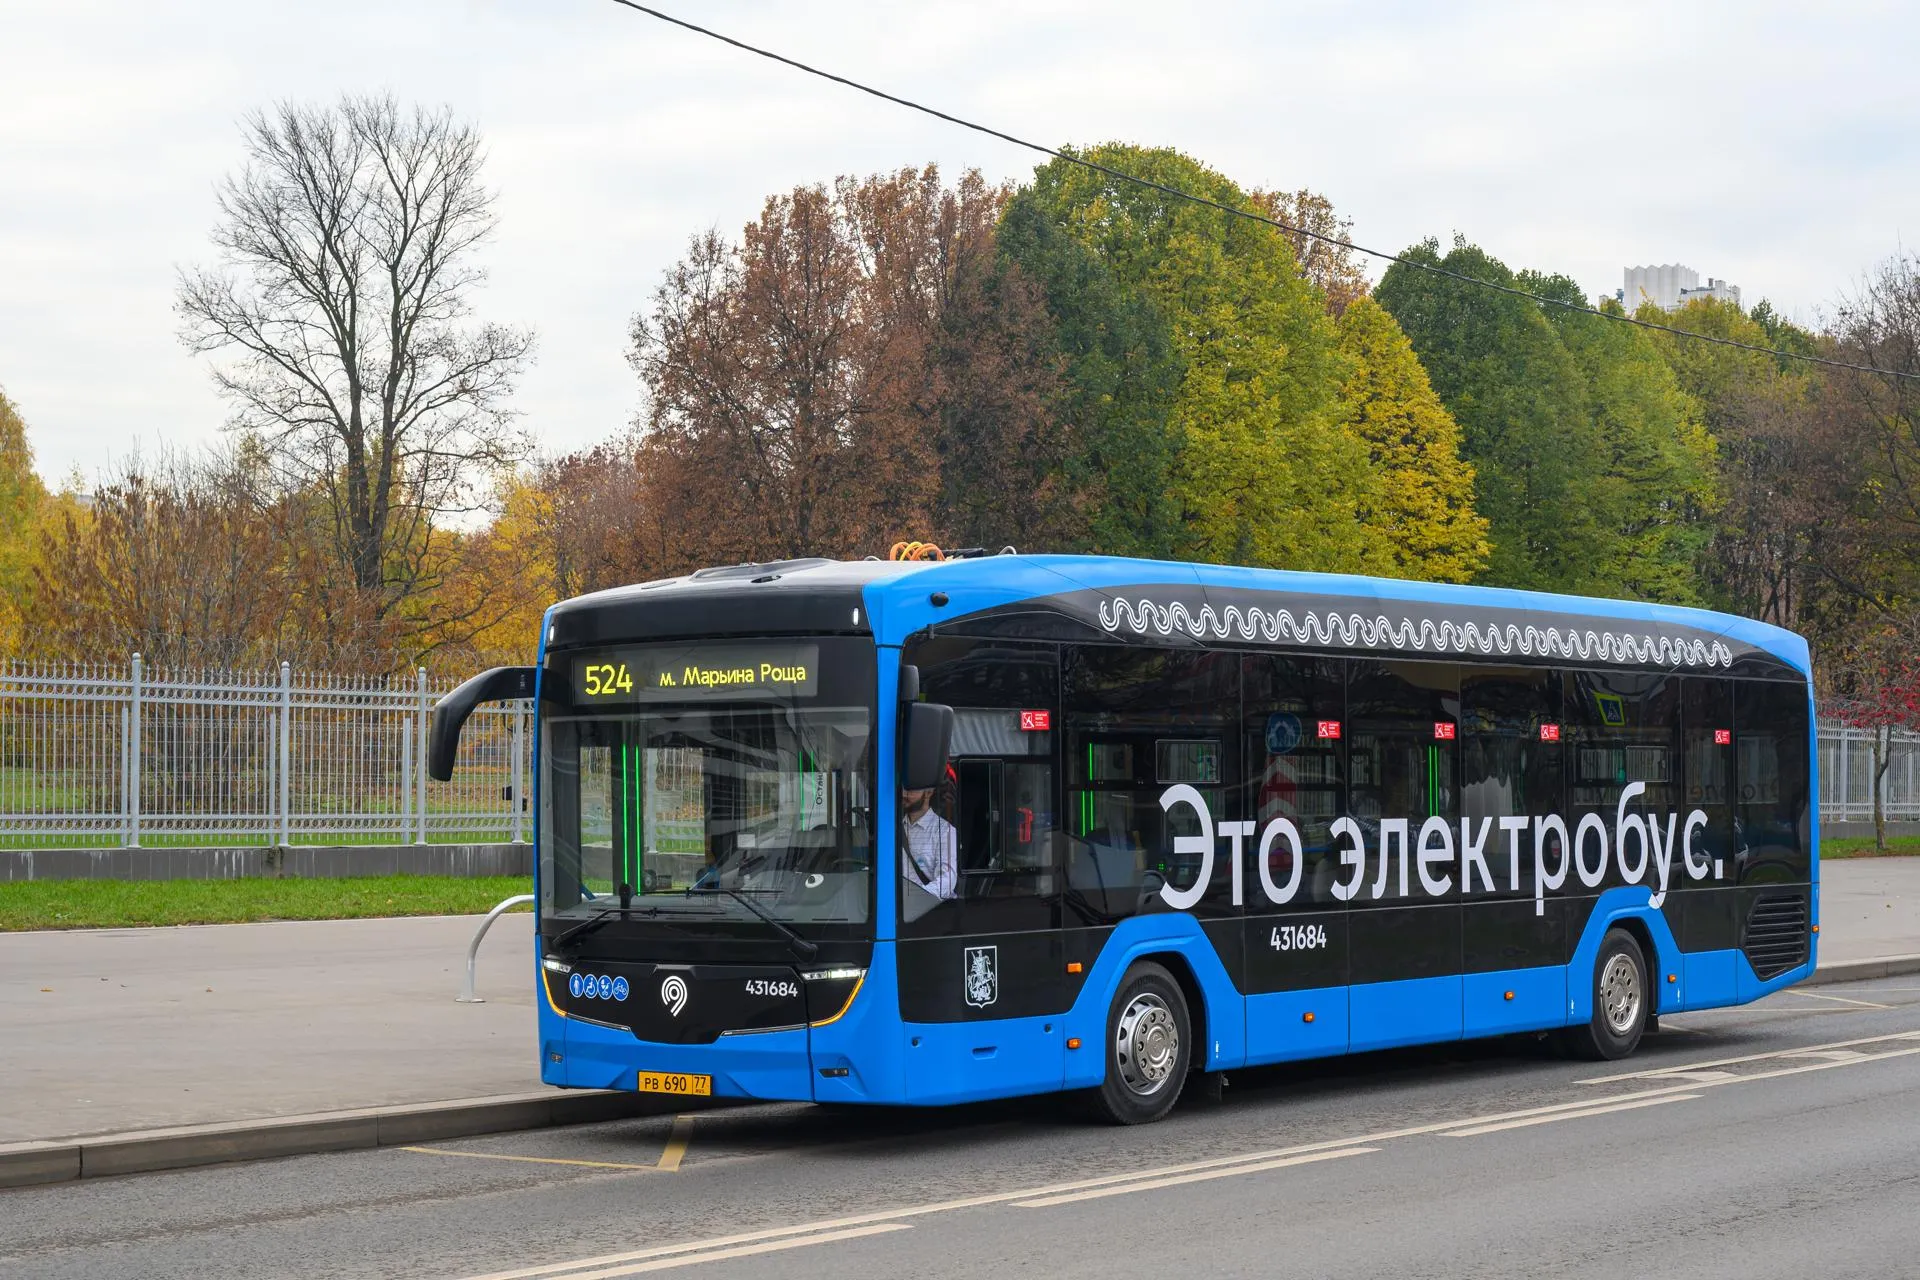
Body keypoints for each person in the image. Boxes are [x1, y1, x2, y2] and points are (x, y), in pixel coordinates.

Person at [900, 785, 958, 901]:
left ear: (929, 792)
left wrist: (917, 899)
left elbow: (947, 879)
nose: (904, 794)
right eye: (903, 788)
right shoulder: (892, 829)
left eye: (910, 789)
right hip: (899, 909)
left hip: (930, 911)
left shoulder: (944, 831)